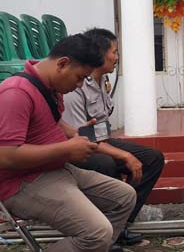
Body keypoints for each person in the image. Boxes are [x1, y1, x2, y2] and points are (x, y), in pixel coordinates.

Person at [0, 34, 136, 252]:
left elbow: (59, 126)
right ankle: (94, 243)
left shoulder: (50, 88)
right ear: (62, 63)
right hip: (21, 184)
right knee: (97, 232)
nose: (79, 85)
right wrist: (66, 150)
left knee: (124, 196)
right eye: (79, 77)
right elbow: (6, 156)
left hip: (55, 170)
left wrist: (82, 136)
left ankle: (94, 248)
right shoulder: (15, 94)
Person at [62, 28, 165, 246]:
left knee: (153, 158)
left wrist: (124, 153)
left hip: (101, 140)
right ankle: (103, 229)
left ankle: (120, 224)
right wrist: (125, 155)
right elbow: (81, 138)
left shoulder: (102, 81)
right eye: (114, 52)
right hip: (76, 147)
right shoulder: (77, 85)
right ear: (99, 53)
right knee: (106, 163)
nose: (117, 57)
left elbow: (101, 129)